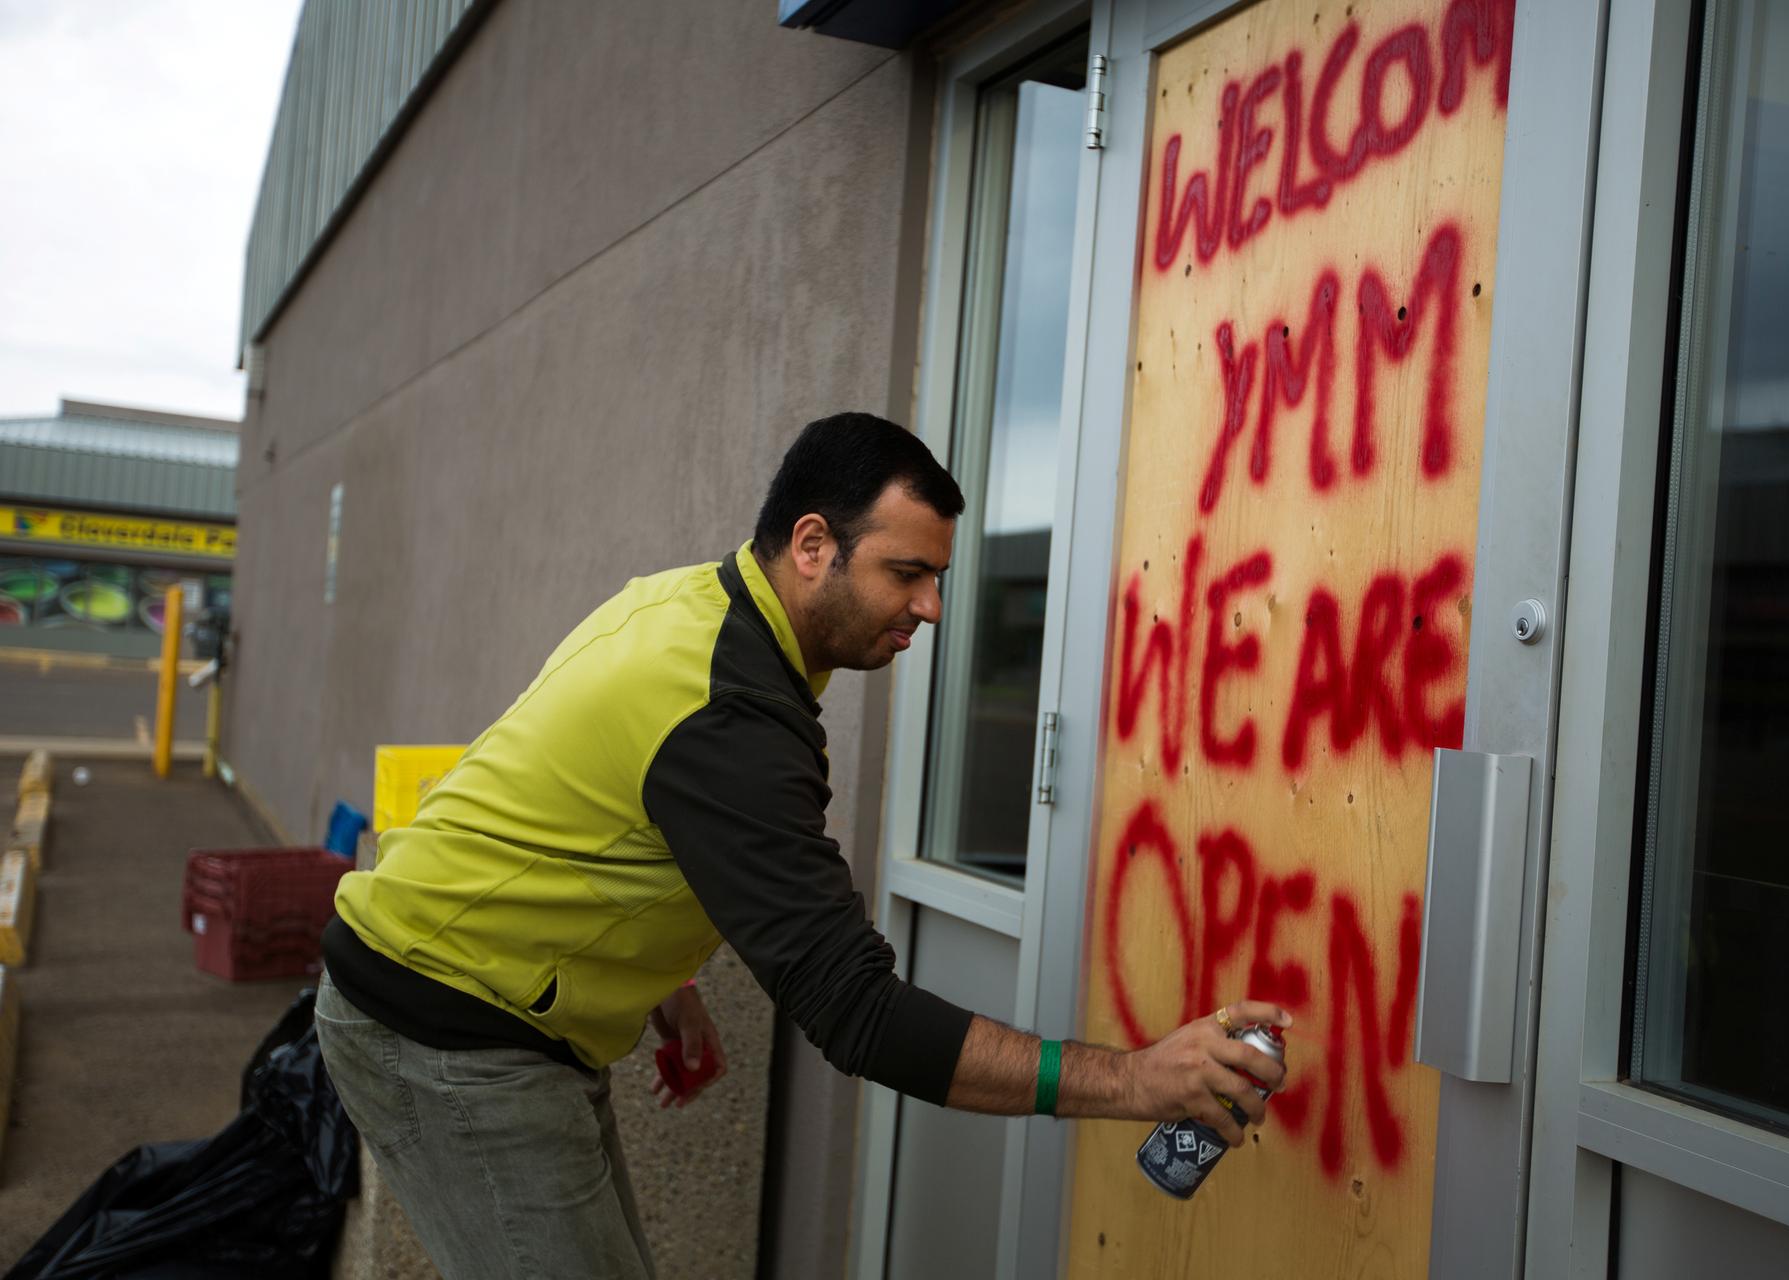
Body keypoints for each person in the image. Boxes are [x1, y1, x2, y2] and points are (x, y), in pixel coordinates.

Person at [313, 412, 1289, 1279]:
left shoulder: (697, 608)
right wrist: (1133, 1079)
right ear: (813, 544)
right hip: (442, 1024)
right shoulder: (725, 705)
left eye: (937, 577)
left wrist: (668, 979)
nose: (931, 609)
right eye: (905, 572)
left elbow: (589, 805)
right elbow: (854, 1011)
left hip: (501, 1004)